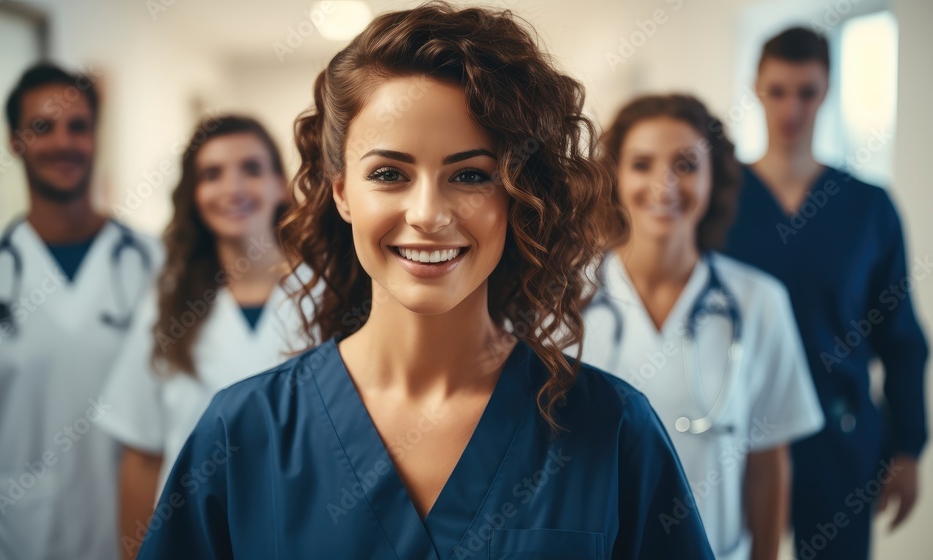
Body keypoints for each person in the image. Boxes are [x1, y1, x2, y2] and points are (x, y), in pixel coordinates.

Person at [135, 3, 715, 559]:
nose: (428, 214)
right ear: (341, 191)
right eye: (389, 173)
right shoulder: (243, 433)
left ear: (517, 195)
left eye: (469, 175)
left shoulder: (610, 428)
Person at [577, 94, 824, 560]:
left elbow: (768, 462)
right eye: (642, 164)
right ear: (613, 177)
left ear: (715, 180)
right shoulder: (559, 299)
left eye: (686, 165)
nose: (663, 184)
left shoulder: (758, 302)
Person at [0, 63, 162, 560]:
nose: (64, 142)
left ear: (95, 137)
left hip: (135, 535)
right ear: (14, 141)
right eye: (42, 127)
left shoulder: (160, 267)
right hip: (14, 538)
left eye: (77, 126)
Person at [723, 27, 929, 560]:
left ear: (827, 91)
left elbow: (902, 336)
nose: (792, 108)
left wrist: (908, 447)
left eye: (807, 92)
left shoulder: (867, 208)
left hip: (839, 434)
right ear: (757, 89)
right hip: (734, 432)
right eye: (778, 91)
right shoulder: (719, 201)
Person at [95, 116, 305, 559]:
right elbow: (142, 453)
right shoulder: (167, 305)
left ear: (281, 185)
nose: (233, 188)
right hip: (190, 542)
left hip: (309, 534)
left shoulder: (327, 295)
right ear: (194, 195)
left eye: (251, 168)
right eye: (212, 174)